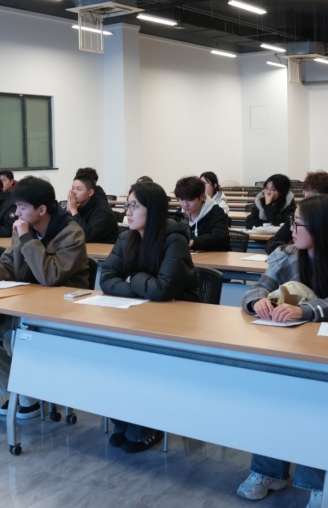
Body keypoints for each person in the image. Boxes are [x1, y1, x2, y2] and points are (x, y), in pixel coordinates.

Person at [238, 195, 328, 508]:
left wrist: (307, 310)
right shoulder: (286, 255)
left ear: (320, 227)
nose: (291, 229)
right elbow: (257, 288)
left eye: (298, 223)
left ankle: (320, 483)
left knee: (319, 403)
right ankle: (268, 471)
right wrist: (258, 301)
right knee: (270, 395)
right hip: (288, 348)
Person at [0, 176, 89, 420]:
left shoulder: (71, 234)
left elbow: (50, 276)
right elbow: (8, 264)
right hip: (26, 307)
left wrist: (27, 239)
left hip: (61, 312)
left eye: (22, 207)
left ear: (41, 209)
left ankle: (28, 398)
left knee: (15, 339)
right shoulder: (24, 228)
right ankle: (14, 393)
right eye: (16, 207)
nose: (17, 213)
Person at [100, 182, 201, 453]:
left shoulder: (174, 239)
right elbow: (106, 278)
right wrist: (141, 288)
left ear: (153, 209)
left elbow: (162, 289)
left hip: (177, 323)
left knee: (141, 360)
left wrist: (132, 278)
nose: (128, 212)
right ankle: (123, 419)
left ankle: (146, 425)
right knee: (110, 355)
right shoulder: (127, 238)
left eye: (134, 206)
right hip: (139, 315)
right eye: (127, 205)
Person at [265, 171, 328, 254]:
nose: (307, 195)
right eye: (306, 191)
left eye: (314, 192)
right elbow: (274, 242)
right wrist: (295, 252)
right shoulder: (298, 215)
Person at [174, 176, 230, 251]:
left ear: (202, 196)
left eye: (190, 200)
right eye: (181, 199)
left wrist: (193, 242)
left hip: (214, 256)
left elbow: (220, 237)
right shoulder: (179, 215)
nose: (185, 204)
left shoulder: (216, 212)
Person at [67, 167, 119, 243]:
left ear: (90, 192)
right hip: (83, 247)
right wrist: (67, 212)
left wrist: (74, 211)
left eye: (78, 189)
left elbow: (88, 236)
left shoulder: (103, 210)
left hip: (104, 248)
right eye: (73, 188)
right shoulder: (77, 205)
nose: (74, 192)